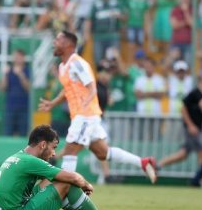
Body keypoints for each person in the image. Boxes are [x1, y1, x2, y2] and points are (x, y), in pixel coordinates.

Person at [38, 31, 158, 183]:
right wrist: (53, 103)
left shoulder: (77, 63)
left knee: (70, 150)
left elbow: (91, 86)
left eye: (58, 40)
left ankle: (64, 190)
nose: (54, 42)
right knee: (103, 153)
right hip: (85, 115)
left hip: (85, 114)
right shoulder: (63, 67)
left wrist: (87, 102)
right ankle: (143, 162)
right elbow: (67, 89)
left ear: (69, 45)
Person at [0, 124, 136, 210]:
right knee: (67, 182)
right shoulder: (31, 161)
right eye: (54, 147)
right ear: (42, 145)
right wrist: (86, 184)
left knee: (54, 180)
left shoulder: (18, 157)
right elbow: (71, 177)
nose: (54, 154)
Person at [158, 68, 202, 173]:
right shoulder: (195, 93)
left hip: (197, 129)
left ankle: (159, 165)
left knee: (182, 155)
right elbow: (183, 108)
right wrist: (190, 125)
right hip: (191, 130)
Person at [0, 49, 31, 137]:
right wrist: (5, 74)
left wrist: (20, 74)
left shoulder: (27, 70)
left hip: (24, 108)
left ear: (23, 58)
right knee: (7, 133)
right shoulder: (9, 71)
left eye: (18, 57)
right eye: (15, 57)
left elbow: (28, 88)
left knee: (22, 134)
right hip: (10, 107)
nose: (16, 59)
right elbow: (3, 88)